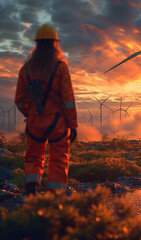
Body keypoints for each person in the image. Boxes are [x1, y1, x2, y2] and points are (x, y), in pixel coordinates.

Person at [15, 24, 78, 194]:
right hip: (57, 122)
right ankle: (54, 199)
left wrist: (29, 113)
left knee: (33, 157)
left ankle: (31, 188)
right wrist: (72, 124)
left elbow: (19, 100)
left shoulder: (25, 70)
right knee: (58, 159)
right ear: (54, 44)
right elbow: (68, 100)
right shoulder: (60, 67)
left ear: (37, 45)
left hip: (34, 121)